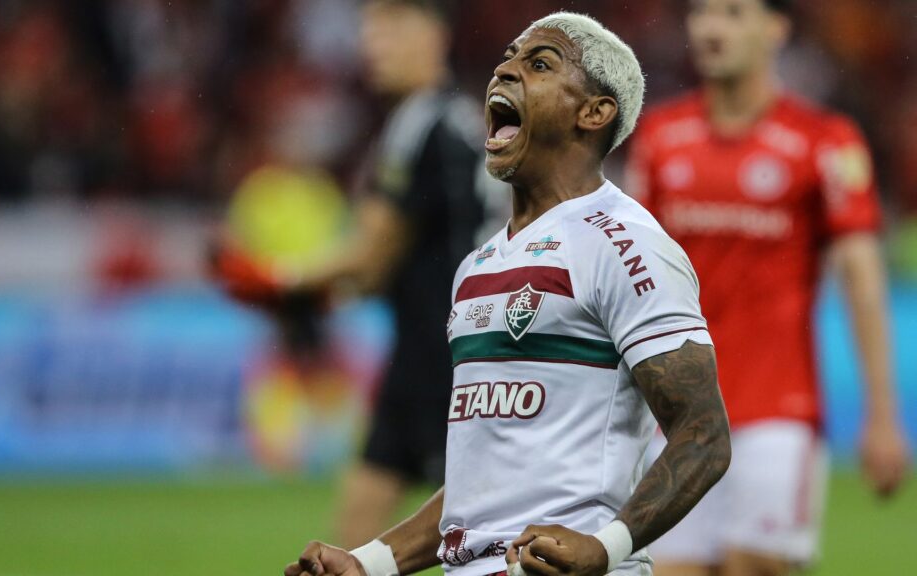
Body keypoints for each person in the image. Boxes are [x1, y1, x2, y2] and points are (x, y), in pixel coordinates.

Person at [285, 11, 732, 576]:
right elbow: (479, 483)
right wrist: (368, 563)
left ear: (593, 113)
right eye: (507, 59)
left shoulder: (625, 245)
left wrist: (605, 547)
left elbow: (704, 433)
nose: (505, 72)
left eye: (539, 64)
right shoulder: (477, 266)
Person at [624, 1, 911, 575]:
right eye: (703, 13)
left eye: (733, 13)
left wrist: (882, 414)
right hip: (674, 415)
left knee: (754, 564)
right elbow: (627, 276)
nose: (712, 28)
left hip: (776, 413)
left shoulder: (824, 142)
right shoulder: (659, 137)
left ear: (775, 28)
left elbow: (861, 278)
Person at [320, 0, 493, 548]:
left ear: (435, 34)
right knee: (364, 531)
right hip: (457, 345)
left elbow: (370, 259)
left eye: (392, 26)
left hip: (440, 358)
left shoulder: (419, 121)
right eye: (370, 29)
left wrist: (281, 278)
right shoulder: (468, 119)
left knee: (474, 540)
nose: (374, 43)